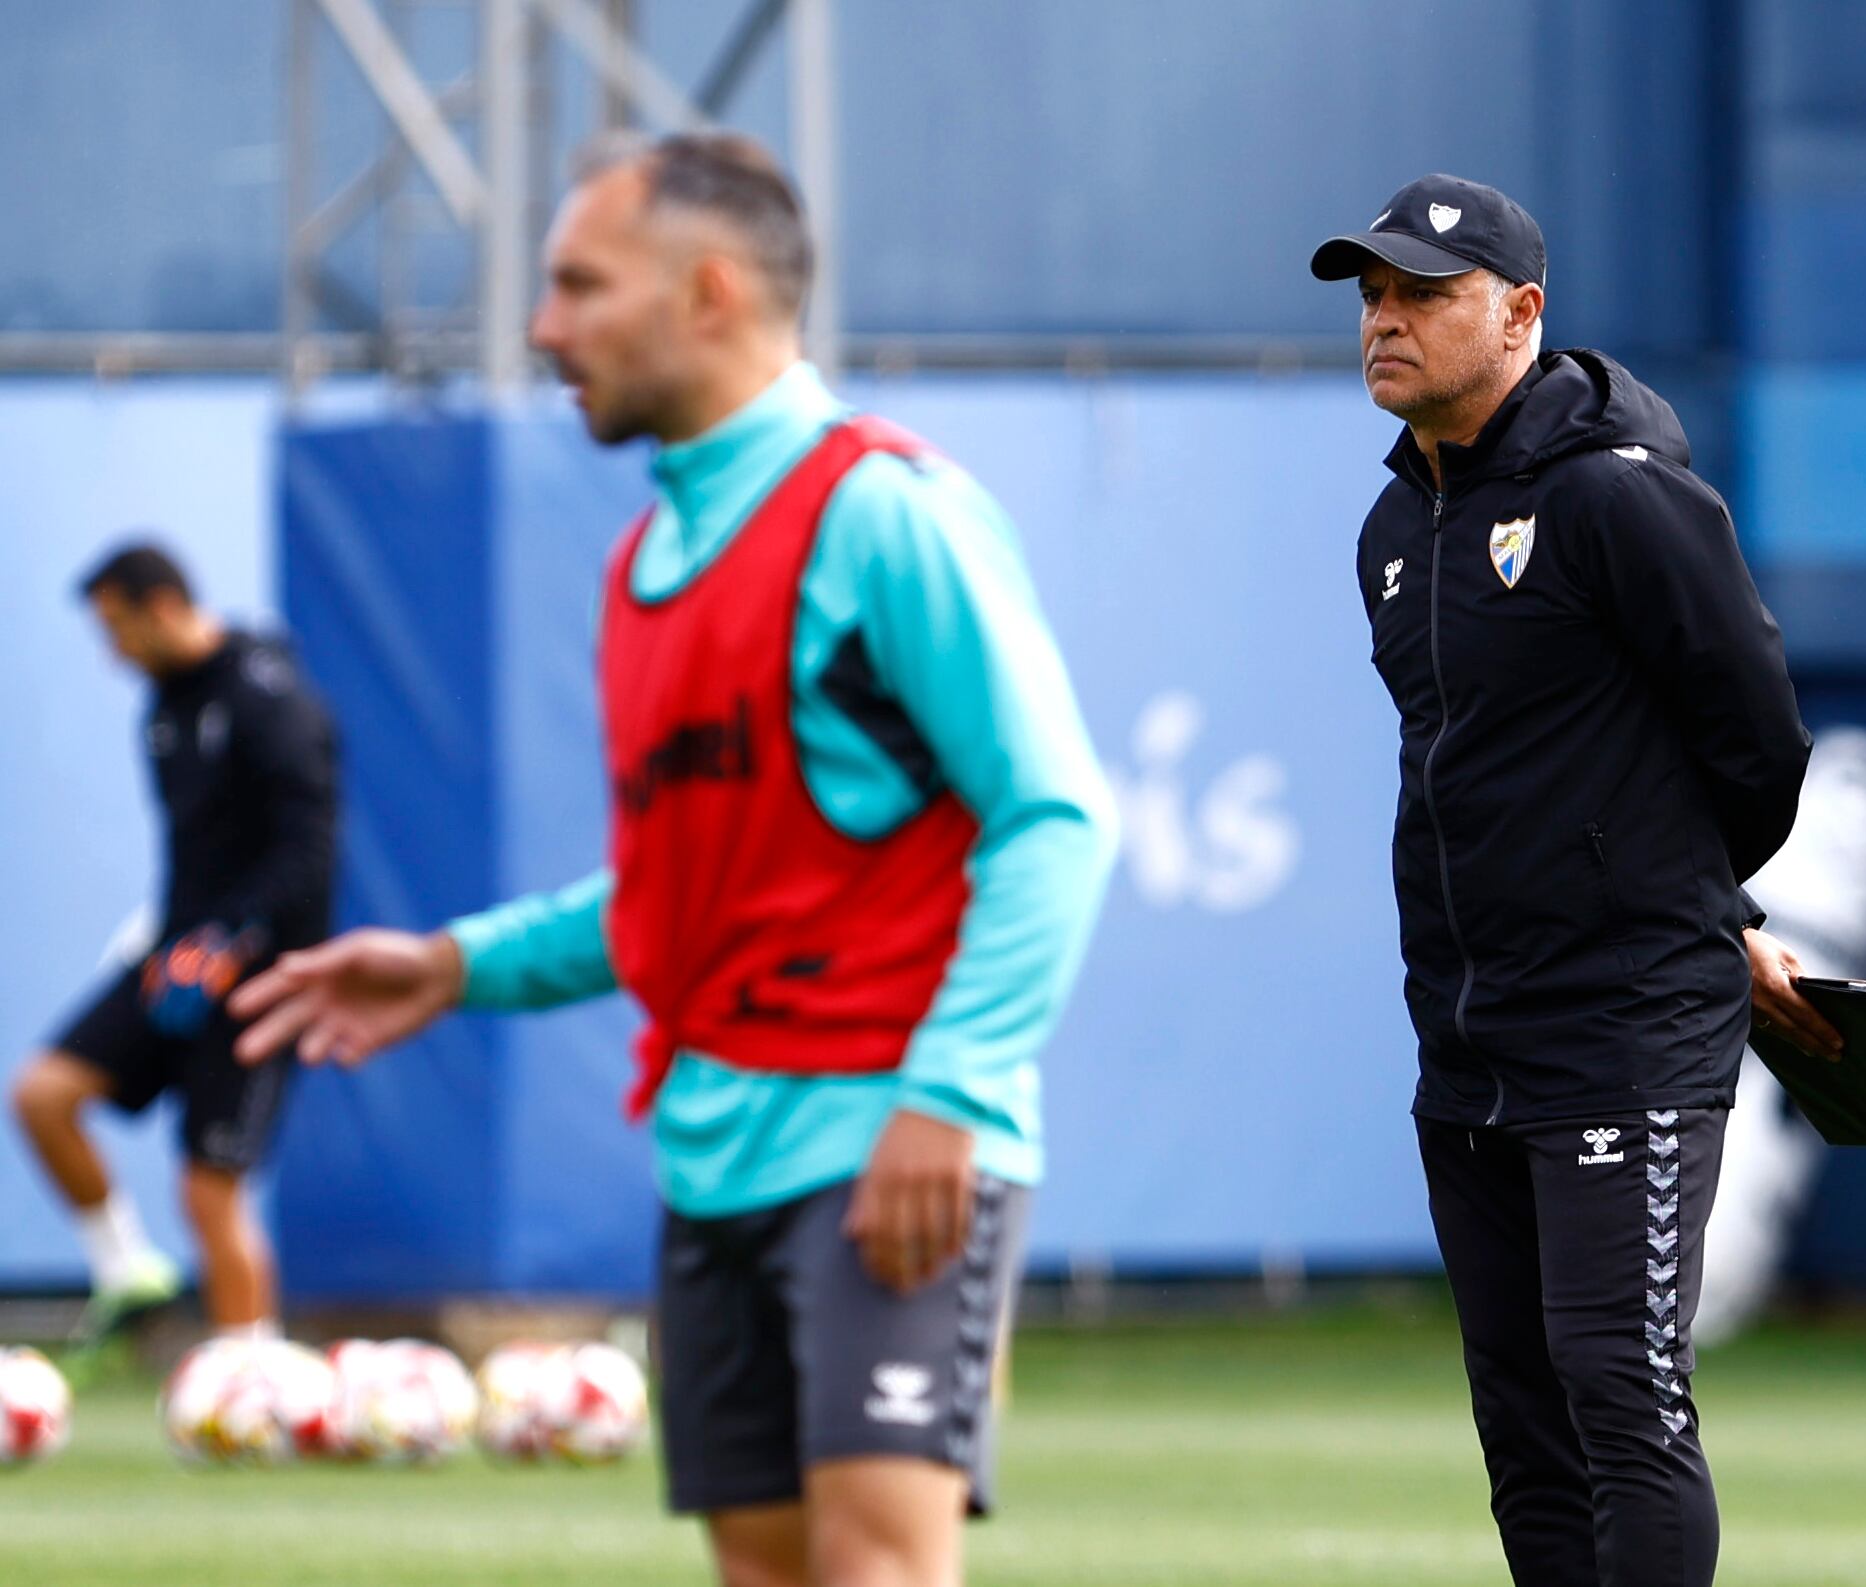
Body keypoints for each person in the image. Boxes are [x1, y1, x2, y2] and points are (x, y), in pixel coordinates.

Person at [230, 131, 1115, 1587]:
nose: (540, 324)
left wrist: (947, 1093)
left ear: (708, 291)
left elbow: (1055, 815)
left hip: (887, 1137)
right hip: (711, 1152)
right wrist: (456, 965)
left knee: (872, 1567)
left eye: (579, 283)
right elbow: (670, 903)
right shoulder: (646, 560)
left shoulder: (883, 512)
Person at [1311, 174, 1838, 1587]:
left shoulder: (1615, 493)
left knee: (1620, 1391)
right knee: (1525, 1430)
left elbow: (1754, 740)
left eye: (1421, 293)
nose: (1383, 321)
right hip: (1468, 1033)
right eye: (1370, 296)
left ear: (1519, 312)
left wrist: (1687, 910)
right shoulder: (1390, 530)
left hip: (1623, 1021)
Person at [13, 543, 337, 1353]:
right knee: (43, 1095)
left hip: (259, 976)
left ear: (162, 607)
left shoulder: (271, 701)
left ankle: (251, 1377)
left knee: (209, 1189)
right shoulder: (161, 706)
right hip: (173, 953)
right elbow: (198, 849)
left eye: (117, 627)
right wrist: (163, 930)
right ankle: (127, 1270)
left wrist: (231, 938)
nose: (110, 650)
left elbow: (309, 854)